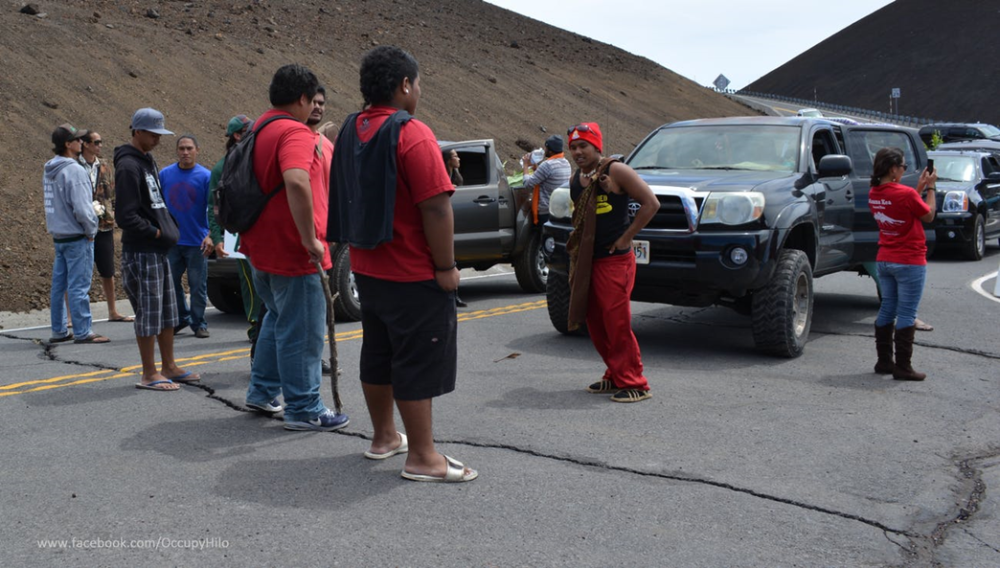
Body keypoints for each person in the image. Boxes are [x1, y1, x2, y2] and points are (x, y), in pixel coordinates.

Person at [329, 45, 477, 482]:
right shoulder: (412, 133)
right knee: (417, 358)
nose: (419, 91)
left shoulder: (352, 129)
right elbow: (436, 208)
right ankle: (424, 458)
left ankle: (384, 438)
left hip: (368, 269)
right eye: (419, 83)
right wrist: (447, 266)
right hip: (412, 272)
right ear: (405, 85)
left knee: (378, 352)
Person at [239, 64, 347, 431]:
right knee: (302, 331)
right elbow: (297, 182)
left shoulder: (258, 128)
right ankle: (304, 408)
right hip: (292, 252)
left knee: (276, 318)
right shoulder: (295, 133)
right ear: (302, 98)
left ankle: (262, 390)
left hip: (260, 249)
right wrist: (310, 238)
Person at [566, 122, 658, 403]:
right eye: (573, 147)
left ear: (597, 146)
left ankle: (635, 382)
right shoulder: (576, 179)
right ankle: (615, 375)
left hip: (614, 260)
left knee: (616, 322)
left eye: (584, 146)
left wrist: (626, 238)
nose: (578, 151)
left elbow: (651, 203)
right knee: (595, 321)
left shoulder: (616, 170)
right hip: (589, 260)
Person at [115, 108, 199, 391]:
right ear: (137, 131)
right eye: (153, 134)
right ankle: (149, 373)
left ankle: (169, 366)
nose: (158, 140)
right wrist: (157, 232)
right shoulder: (128, 166)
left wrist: (166, 230)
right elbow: (125, 216)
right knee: (149, 313)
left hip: (158, 250)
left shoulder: (146, 160)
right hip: (142, 251)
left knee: (167, 311)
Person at [868, 147, 937, 381]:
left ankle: (884, 361)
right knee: (907, 312)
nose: (904, 169)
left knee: (888, 307)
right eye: (903, 166)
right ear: (893, 168)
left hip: (885, 258)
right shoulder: (905, 194)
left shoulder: (874, 193)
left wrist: (917, 188)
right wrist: (931, 187)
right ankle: (903, 367)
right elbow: (927, 215)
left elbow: (904, 207)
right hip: (909, 260)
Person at [44, 123, 108, 344]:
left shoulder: (49, 168)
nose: (82, 143)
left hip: (59, 235)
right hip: (77, 236)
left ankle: (59, 330)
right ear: (68, 144)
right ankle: (83, 331)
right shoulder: (75, 170)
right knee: (79, 285)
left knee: (59, 285)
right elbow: (82, 208)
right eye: (78, 140)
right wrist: (91, 230)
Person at [207, 115, 263, 343]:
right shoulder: (223, 167)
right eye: (249, 131)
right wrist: (218, 237)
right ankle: (256, 327)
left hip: (262, 233)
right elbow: (214, 206)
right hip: (238, 237)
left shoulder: (256, 158)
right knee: (251, 285)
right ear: (237, 135)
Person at [160, 135, 213, 338]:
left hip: (197, 242)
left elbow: (212, 208)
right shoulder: (165, 175)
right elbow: (159, 207)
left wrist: (210, 235)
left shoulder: (205, 176)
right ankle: (181, 318)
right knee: (171, 285)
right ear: (176, 151)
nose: (185, 152)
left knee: (198, 286)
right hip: (172, 241)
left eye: (189, 148)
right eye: (181, 148)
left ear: (197, 150)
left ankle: (199, 323)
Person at [80, 131, 133, 323]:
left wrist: (113, 214)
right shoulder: (74, 166)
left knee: (108, 269)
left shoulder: (104, 167)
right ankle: (70, 316)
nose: (100, 145)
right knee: (77, 272)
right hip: (80, 228)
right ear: (85, 144)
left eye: (100, 142)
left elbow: (113, 192)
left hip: (104, 225)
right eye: (96, 142)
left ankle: (113, 311)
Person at [520, 134, 571, 226]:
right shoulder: (566, 163)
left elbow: (527, 185)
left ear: (550, 151)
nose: (544, 150)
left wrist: (525, 166)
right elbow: (549, 177)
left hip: (545, 212)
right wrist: (537, 168)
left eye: (546, 148)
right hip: (559, 210)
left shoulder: (548, 165)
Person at [441, 149, 467, 308]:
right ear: (448, 159)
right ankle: (451, 296)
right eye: (455, 156)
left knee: (455, 258)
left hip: (453, 221)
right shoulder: (442, 177)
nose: (459, 158)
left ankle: (454, 295)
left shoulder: (455, 176)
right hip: (443, 223)